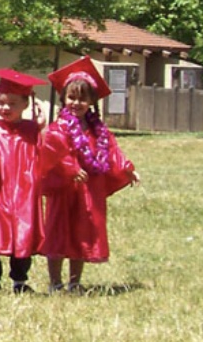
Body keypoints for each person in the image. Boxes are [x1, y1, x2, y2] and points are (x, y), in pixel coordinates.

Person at [38, 57, 139, 292]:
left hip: (88, 191)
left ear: (93, 101)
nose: (77, 102)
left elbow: (112, 151)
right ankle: (55, 282)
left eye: (83, 98)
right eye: (72, 97)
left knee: (81, 234)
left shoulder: (99, 130)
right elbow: (52, 152)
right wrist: (70, 169)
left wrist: (127, 168)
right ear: (63, 98)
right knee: (58, 233)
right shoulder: (59, 127)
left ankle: (74, 282)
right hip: (64, 188)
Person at [0, 68, 48, 293]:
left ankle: (20, 280)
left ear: (26, 105)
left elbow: (47, 155)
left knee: (23, 235)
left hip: (24, 194)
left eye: (12, 104)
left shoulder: (32, 129)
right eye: (2, 103)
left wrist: (43, 128)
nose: (5, 108)